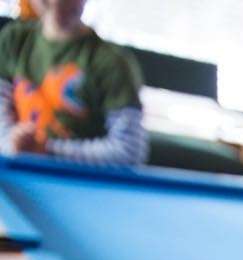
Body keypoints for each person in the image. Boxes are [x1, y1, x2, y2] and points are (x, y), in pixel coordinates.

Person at [0, 0, 147, 165]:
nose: (57, 3)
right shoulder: (13, 41)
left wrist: (46, 151)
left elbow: (129, 151)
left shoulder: (113, 63)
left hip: (78, 183)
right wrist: (11, 145)